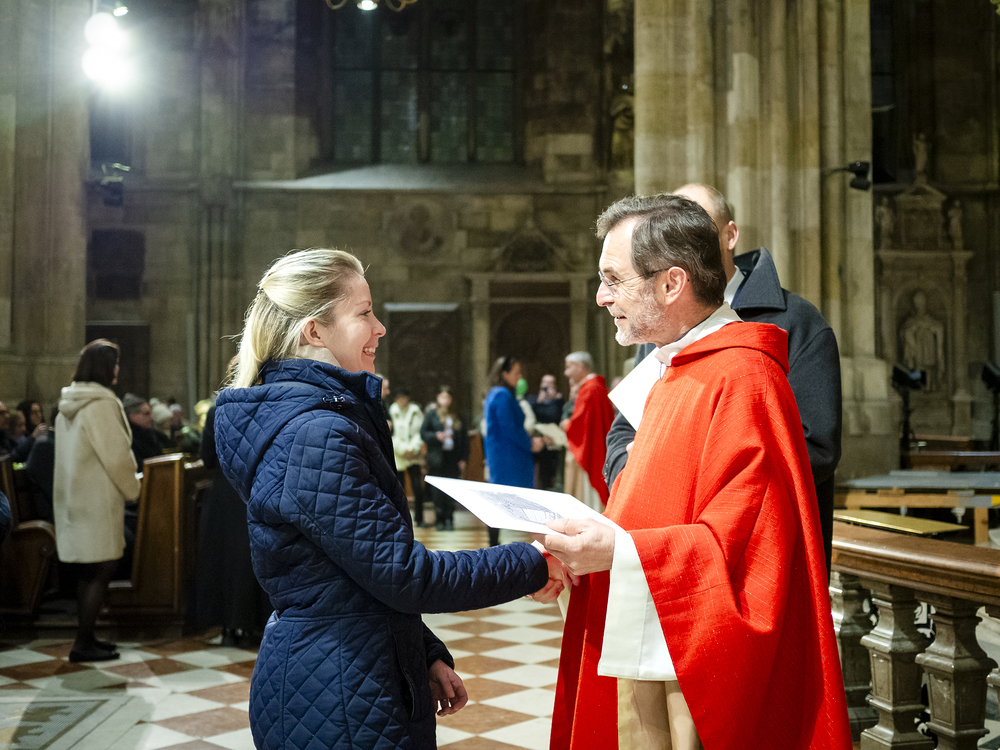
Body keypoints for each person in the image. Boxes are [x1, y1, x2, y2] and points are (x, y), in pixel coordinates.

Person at [212, 248, 561, 750]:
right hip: (337, 693)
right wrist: (535, 561)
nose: (379, 328)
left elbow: (349, 577)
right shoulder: (315, 435)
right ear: (315, 331)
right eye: (364, 313)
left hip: (349, 669)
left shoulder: (319, 423)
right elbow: (404, 574)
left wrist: (422, 651)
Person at [537, 195, 851, 750]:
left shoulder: (744, 379)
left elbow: (747, 549)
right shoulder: (674, 370)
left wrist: (619, 552)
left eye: (613, 279)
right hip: (651, 641)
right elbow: (648, 503)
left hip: (696, 670)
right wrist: (583, 554)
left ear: (671, 284)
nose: (601, 296)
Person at [605, 183, 842, 574]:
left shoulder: (788, 328)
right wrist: (632, 479)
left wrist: (674, 477)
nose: (687, 243)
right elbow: (624, 430)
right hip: (664, 544)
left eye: (700, 230)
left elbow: (811, 447)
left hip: (753, 552)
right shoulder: (661, 324)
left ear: (729, 236)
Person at [53, 339, 141, 663]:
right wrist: (134, 489)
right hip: (97, 500)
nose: (117, 369)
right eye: (114, 363)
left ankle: (87, 637)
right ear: (104, 367)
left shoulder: (70, 403)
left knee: (89, 571)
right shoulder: (101, 404)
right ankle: (83, 643)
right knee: (102, 568)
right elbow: (116, 456)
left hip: (76, 498)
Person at [190, 399, 271, 646]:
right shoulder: (269, 407)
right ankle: (258, 624)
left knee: (225, 559)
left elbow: (207, 457)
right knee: (257, 556)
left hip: (226, 493)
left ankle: (229, 626)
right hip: (260, 488)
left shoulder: (218, 411)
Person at [482, 356, 543, 547]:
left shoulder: (497, 393)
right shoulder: (502, 395)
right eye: (516, 373)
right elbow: (510, 428)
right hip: (509, 457)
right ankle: (533, 545)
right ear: (505, 374)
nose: (520, 376)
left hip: (504, 455)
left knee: (499, 499)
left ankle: (497, 544)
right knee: (504, 500)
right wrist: (530, 443)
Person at [559, 352, 614, 511]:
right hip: (592, 449)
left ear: (581, 366)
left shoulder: (591, 389)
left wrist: (566, 424)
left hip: (590, 452)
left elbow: (581, 425)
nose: (566, 373)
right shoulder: (593, 387)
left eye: (569, 367)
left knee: (587, 501)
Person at [420, 387, 468, 530]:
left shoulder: (457, 415)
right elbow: (423, 433)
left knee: (452, 488)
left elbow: (464, 439)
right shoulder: (432, 414)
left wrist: (464, 458)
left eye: (448, 397)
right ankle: (439, 519)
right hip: (437, 457)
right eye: (442, 397)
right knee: (437, 489)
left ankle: (449, 519)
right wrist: (436, 436)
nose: (445, 401)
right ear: (438, 398)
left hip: (452, 457)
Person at [390, 388, 428, 527]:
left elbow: (420, 431)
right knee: (399, 489)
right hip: (398, 454)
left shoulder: (415, 411)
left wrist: (413, 448)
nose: (402, 401)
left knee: (417, 487)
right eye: (399, 398)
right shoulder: (392, 411)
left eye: (404, 398)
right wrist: (401, 449)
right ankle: (400, 519)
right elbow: (391, 433)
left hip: (414, 454)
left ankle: (419, 518)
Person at [528, 374, 564, 491]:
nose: (547, 386)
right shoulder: (533, 399)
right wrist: (539, 401)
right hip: (536, 438)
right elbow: (531, 415)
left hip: (551, 441)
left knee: (548, 469)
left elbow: (554, 416)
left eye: (550, 383)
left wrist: (554, 401)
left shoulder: (558, 401)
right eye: (545, 383)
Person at [122, 393, 167, 468]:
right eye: (146, 414)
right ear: (132, 416)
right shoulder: (130, 440)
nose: (152, 418)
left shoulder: (152, 435)